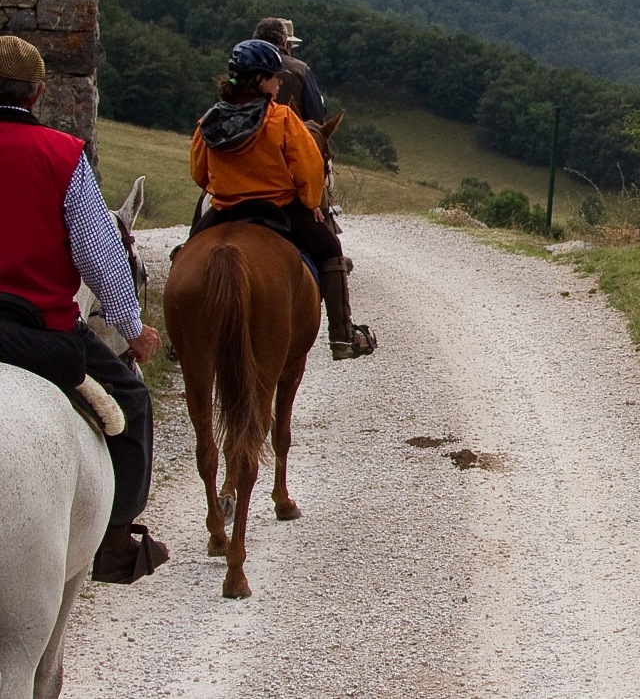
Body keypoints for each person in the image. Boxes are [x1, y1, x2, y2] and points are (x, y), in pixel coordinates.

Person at [0, 35, 169, 583]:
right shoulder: (62, 155)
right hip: (41, 333)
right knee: (134, 403)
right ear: (38, 93)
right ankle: (115, 542)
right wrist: (131, 327)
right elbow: (100, 258)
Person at [190, 38, 375, 360]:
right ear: (260, 79)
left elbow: (199, 174)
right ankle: (343, 336)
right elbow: (308, 168)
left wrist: (227, 188)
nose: (279, 83)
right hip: (280, 208)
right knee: (331, 251)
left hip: (226, 209)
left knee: (187, 255)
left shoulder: (209, 121)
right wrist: (309, 203)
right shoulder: (282, 118)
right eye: (275, 77)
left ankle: (185, 340)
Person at [252, 17, 326, 123]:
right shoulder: (301, 70)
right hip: (290, 135)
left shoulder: (242, 65)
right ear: (285, 43)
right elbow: (316, 115)